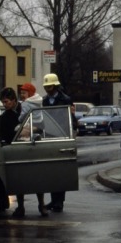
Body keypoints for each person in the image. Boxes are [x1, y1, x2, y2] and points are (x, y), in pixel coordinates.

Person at [13, 83, 47, 218]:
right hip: (36, 143)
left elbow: (21, 118)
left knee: (20, 178)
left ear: (30, 94)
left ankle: (21, 206)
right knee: (38, 177)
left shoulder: (26, 104)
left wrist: (19, 123)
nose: (22, 95)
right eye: (21, 93)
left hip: (24, 143)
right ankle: (41, 205)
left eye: (24, 93)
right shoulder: (39, 102)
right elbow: (42, 121)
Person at [42, 73, 74, 212]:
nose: (47, 89)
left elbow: (70, 118)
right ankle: (53, 199)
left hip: (62, 134)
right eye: (46, 87)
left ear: (55, 86)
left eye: (49, 87)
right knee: (51, 170)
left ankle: (59, 201)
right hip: (49, 135)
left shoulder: (65, 99)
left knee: (61, 170)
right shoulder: (45, 100)